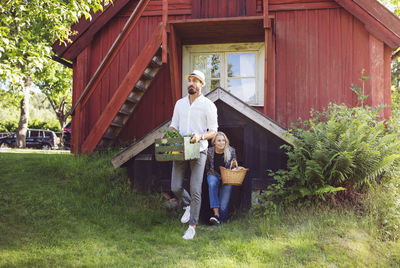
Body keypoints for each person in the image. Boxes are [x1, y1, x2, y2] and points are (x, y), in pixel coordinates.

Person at [169, 70, 218, 240]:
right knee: (175, 186)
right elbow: (173, 125)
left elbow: (213, 131)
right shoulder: (179, 104)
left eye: (195, 81)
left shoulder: (208, 105)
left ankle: (192, 227)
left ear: (202, 84)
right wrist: (169, 135)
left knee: (195, 188)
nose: (191, 83)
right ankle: (188, 204)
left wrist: (201, 136)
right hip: (180, 148)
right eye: (189, 80)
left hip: (199, 149)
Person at [205, 132, 238, 224]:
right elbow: (207, 167)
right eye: (219, 140)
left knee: (223, 205)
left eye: (223, 140)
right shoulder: (209, 151)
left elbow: (235, 167)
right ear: (214, 142)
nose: (221, 143)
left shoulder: (231, 151)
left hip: (227, 177)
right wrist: (209, 173)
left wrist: (234, 166)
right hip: (213, 174)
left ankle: (222, 221)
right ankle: (216, 214)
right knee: (212, 183)